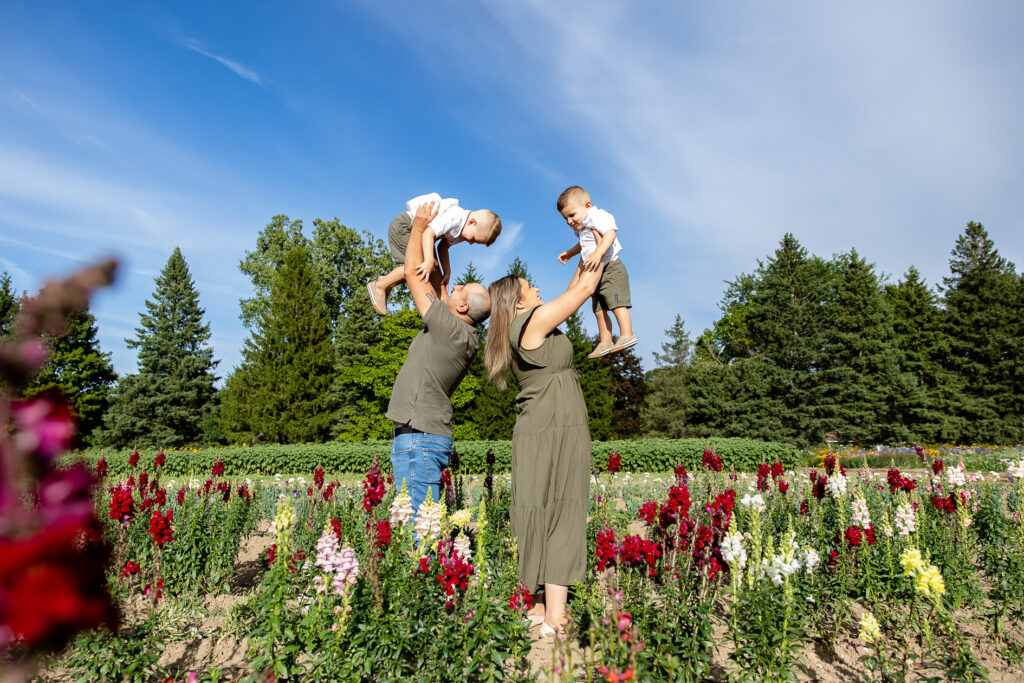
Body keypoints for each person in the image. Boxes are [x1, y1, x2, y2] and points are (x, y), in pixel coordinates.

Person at [484, 262, 604, 638]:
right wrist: (602, 240)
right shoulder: (530, 325)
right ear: (517, 304)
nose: (535, 288)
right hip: (552, 429)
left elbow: (572, 290)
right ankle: (555, 615)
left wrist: (585, 254)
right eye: (529, 286)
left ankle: (538, 607)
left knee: (546, 510)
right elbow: (582, 292)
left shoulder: (531, 323)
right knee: (560, 509)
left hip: (549, 426)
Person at [386, 202, 492, 519]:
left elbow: (412, 275)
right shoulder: (462, 334)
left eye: (459, 289)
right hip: (422, 435)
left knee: (417, 529)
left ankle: (425, 569)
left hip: (419, 437)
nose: (454, 284)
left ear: (461, 309)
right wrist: (441, 256)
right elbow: (438, 285)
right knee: (420, 524)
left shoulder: (448, 328)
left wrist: (418, 228)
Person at [368, 192, 502, 315]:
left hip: (422, 236)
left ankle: (387, 284)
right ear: (472, 222)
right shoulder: (455, 217)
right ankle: (380, 286)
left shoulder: (462, 232)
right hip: (406, 227)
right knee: (416, 267)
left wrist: (447, 271)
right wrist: (428, 261)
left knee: (427, 272)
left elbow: (443, 247)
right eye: (473, 239)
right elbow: (428, 234)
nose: (471, 243)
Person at [555, 185, 637, 358]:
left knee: (616, 303)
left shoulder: (596, 216)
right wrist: (570, 253)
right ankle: (605, 341)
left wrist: (598, 253)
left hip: (610, 268)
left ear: (587, 205)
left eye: (572, 215)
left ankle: (627, 334)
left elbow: (610, 234)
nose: (569, 221)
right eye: (565, 218)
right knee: (598, 309)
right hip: (595, 272)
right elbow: (583, 244)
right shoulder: (581, 227)